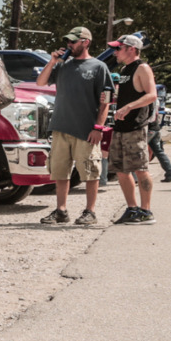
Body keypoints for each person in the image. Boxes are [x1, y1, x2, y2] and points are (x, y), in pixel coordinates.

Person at [35, 27, 111, 226]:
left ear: (86, 42)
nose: (69, 45)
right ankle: (61, 211)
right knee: (60, 171)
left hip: (86, 130)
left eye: (73, 41)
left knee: (90, 172)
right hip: (60, 127)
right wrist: (52, 62)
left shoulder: (99, 67)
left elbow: (106, 101)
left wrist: (99, 127)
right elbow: (41, 82)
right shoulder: (62, 66)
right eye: (68, 41)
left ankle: (90, 212)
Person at [107, 35, 158, 223]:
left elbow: (152, 95)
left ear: (131, 49)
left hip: (136, 126)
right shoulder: (124, 69)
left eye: (118, 48)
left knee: (140, 169)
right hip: (120, 126)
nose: (115, 52)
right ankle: (132, 208)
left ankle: (146, 211)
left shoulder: (142, 68)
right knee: (120, 170)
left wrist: (129, 107)